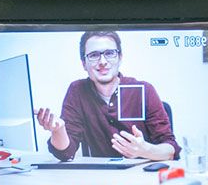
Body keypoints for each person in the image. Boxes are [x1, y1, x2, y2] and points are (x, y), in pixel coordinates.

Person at [34, 31, 179, 161]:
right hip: (102, 179)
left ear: (120, 58)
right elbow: (66, 154)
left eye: (110, 53)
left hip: (143, 177)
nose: (103, 62)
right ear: (84, 64)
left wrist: (145, 150)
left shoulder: (144, 89)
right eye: (94, 55)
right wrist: (58, 130)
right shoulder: (77, 91)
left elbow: (170, 149)